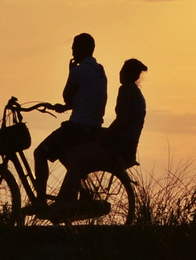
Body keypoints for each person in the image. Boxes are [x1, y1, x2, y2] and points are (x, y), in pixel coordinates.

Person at [57, 58, 148, 206]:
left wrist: (104, 136)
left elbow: (122, 121)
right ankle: (78, 197)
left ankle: (64, 202)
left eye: (122, 69)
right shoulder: (137, 93)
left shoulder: (125, 89)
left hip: (119, 145)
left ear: (124, 73)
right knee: (82, 154)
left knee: (73, 156)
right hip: (128, 146)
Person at [31, 33, 107, 207]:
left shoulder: (79, 71)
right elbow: (85, 98)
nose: (72, 51)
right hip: (93, 127)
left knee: (40, 153)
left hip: (77, 127)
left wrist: (70, 72)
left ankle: (40, 201)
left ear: (81, 49)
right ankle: (83, 194)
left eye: (74, 47)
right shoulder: (100, 71)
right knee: (65, 156)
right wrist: (66, 108)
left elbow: (67, 96)